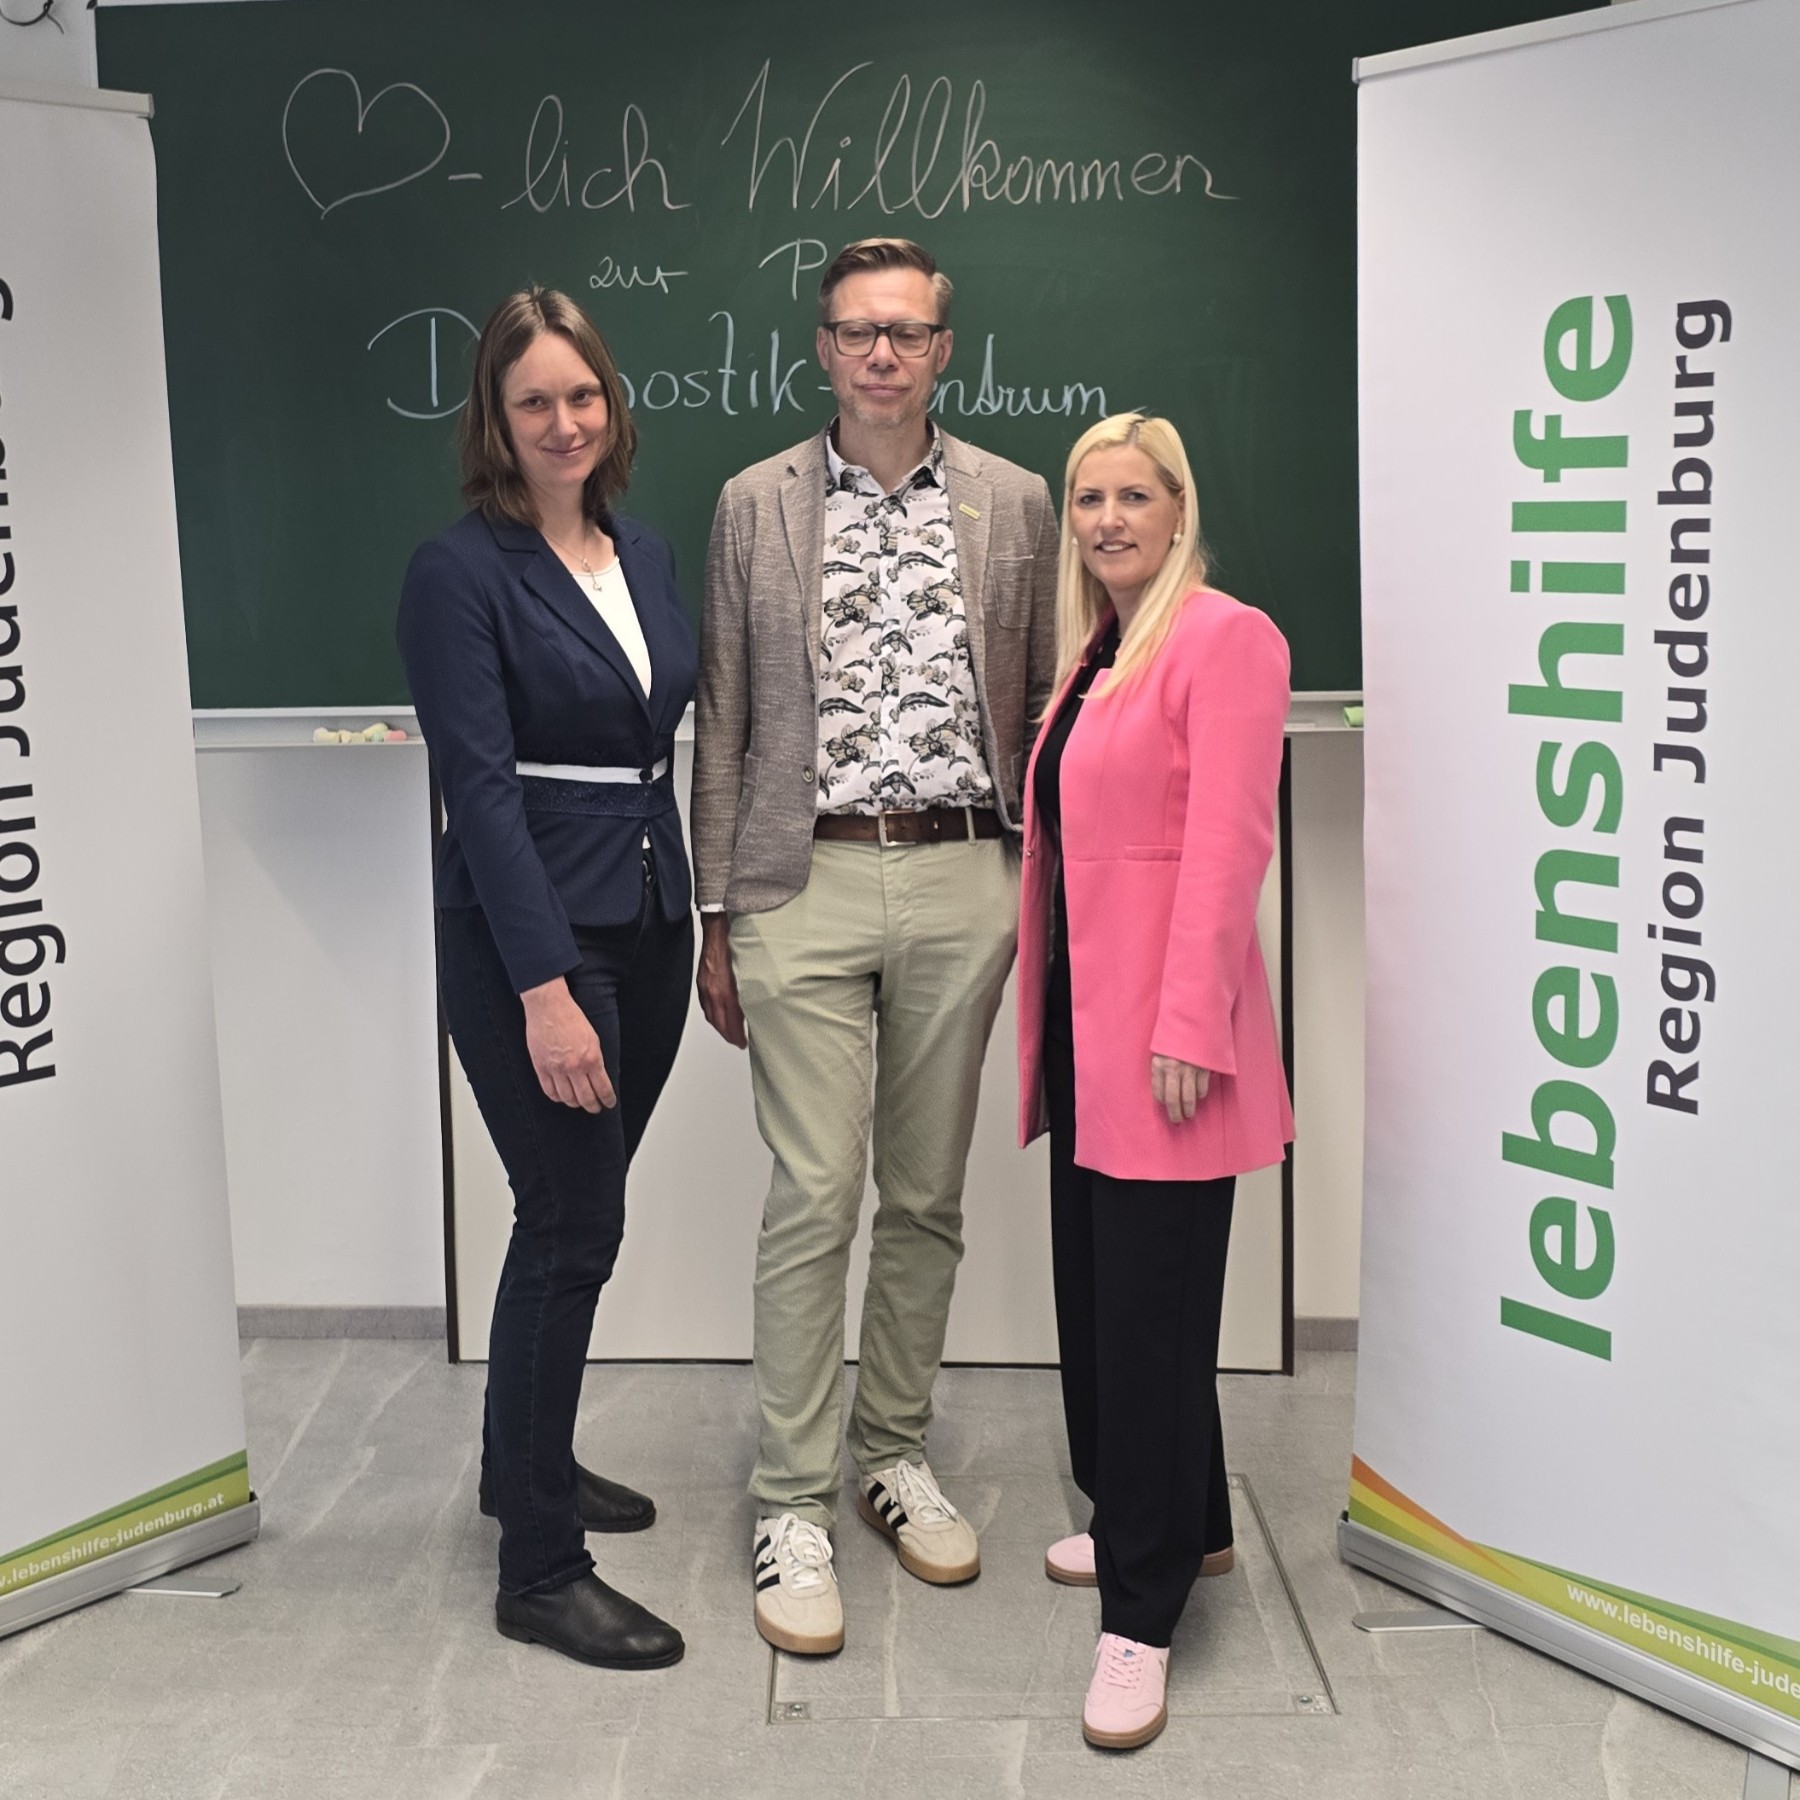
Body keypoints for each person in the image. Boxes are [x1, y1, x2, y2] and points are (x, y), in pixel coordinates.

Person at [691, 237, 1058, 1655]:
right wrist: (716, 913)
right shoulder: (755, 503)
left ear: (944, 351)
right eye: (858, 332)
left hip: (966, 871)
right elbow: (724, 712)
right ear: (825, 350)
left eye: (907, 332)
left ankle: (891, 1454)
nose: (883, 354)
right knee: (813, 1192)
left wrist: (1035, 889)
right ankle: (790, 1500)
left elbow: (1042, 706)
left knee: (925, 1193)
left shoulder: (1016, 501)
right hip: (803, 879)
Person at [397, 287, 696, 1671]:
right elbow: (479, 791)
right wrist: (544, 987)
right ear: (496, 420)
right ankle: (540, 1568)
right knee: (573, 1225)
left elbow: (654, 739)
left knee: (571, 1214)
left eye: (583, 395)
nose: (564, 422)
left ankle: (519, 1463)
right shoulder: (457, 573)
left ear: (610, 405)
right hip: (535, 944)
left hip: (650, 913)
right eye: (535, 402)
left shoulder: (644, 553)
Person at [1016, 413, 1292, 1748]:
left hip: (1171, 1049)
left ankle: (1142, 1613)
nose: (1108, 520)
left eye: (1134, 496)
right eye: (1088, 498)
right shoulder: (1101, 650)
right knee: (1107, 1303)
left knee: (1148, 1326)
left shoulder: (1226, 639)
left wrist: (1191, 1025)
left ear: (1180, 508)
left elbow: (1232, 848)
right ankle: (1187, 1525)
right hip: (1089, 1038)